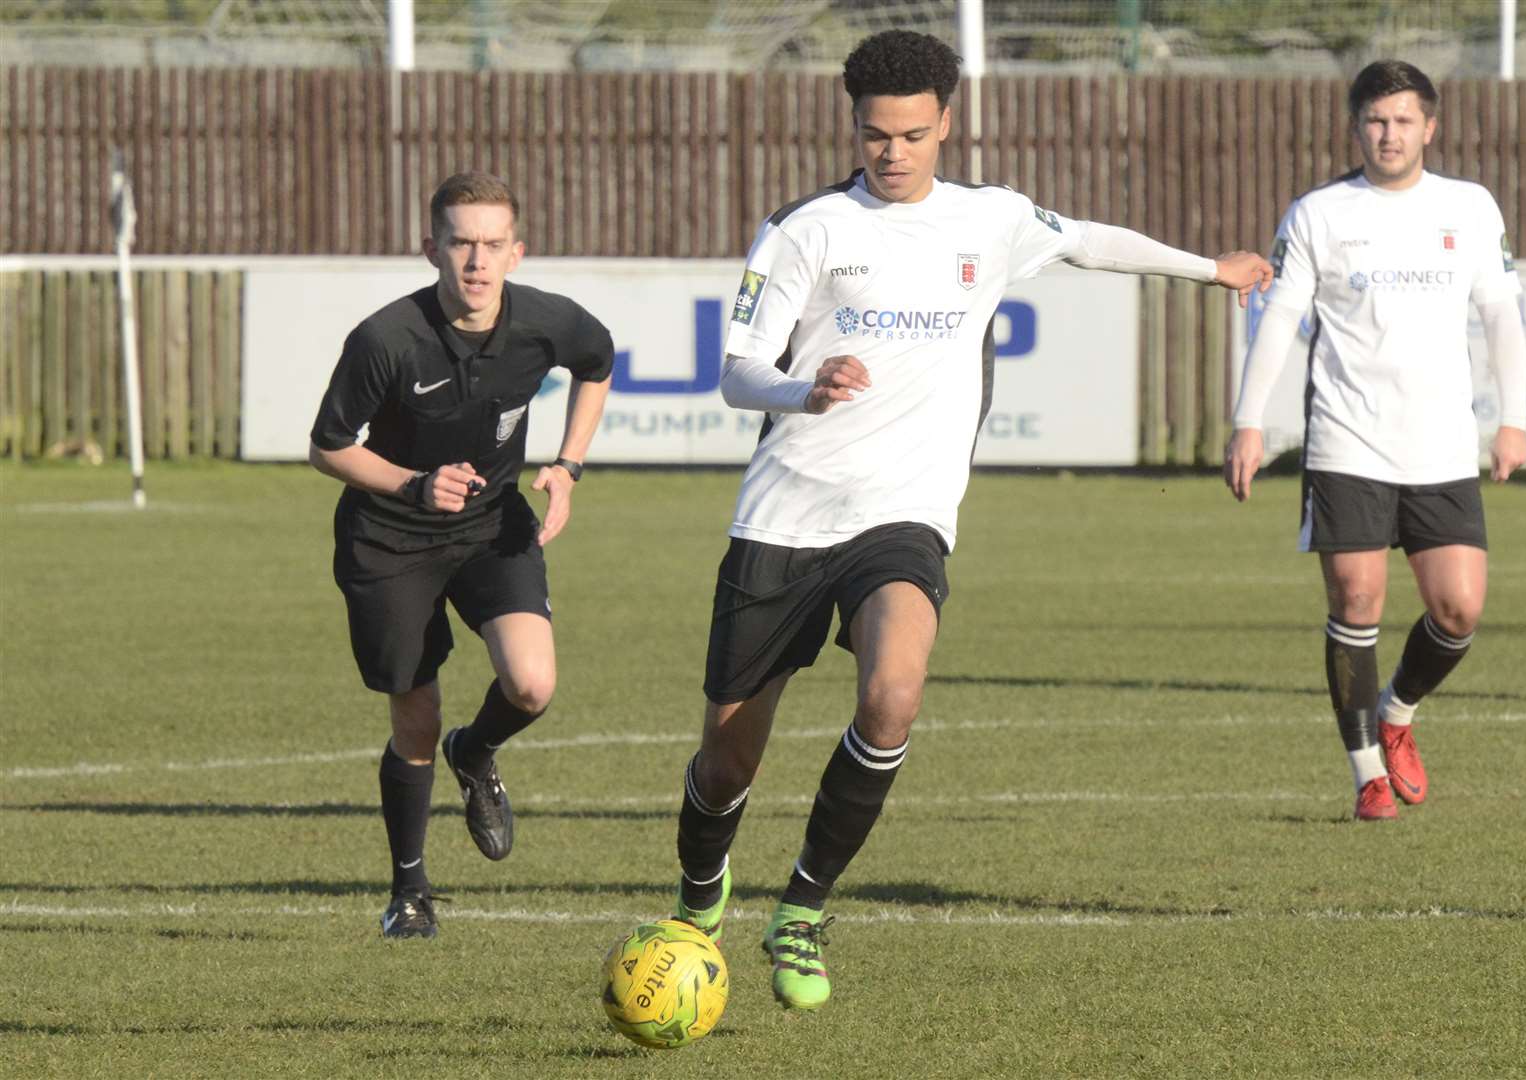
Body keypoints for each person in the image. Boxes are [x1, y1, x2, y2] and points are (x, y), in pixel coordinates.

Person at [668, 28, 1272, 1011]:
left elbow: (1087, 242)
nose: (892, 152)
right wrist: (799, 388)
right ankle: (700, 897)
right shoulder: (805, 231)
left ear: (946, 121)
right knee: (728, 756)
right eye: (875, 135)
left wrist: (1213, 269)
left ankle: (804, 910)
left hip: (903, 517)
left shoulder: (989, 221)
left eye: (911, 133)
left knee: (893, 698)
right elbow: (735, 372)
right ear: (852, 126)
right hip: (785, 515)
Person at [308, 171, 614, 938]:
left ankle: (474, 754)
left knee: (533, 684)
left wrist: (569, 466)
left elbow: (598, 363)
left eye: (491, 245)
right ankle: (409, 891)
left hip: (489, 528)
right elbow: (327, 448)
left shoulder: (548, 323)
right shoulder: (386, 339)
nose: (476, 261)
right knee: (415, 715)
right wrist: (413, 484)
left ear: (518, 251)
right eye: (460, 243)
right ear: (431, 249)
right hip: (389, 540)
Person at [1223, 60, 1526, 822]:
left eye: (1402, 121)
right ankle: (1366, 774)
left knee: (1458, 609)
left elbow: (1500, 317)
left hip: (1441, 447)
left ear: (1430, 127)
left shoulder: (1470, 207)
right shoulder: (1320, 213)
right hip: (1346, 440)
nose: (1388, 134)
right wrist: (1248, 420)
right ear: (1355, 126)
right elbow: (1278, 321)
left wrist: (1515, 419)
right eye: (1374, 120)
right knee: (1356, 597)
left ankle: (1397, 712)